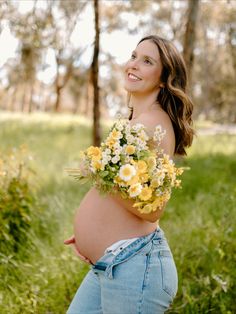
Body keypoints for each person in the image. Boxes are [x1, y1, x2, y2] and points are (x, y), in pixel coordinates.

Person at [64, 34, 195, 314]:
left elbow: (154, 209)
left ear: (163, 79)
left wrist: (99, 173)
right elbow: (130, 190)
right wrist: (93, 233)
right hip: (113, 263)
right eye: (134, 56)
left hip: (135, 270)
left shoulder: (151, 126)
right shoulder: (138, 121)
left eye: (147, 61)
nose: (133, 65)